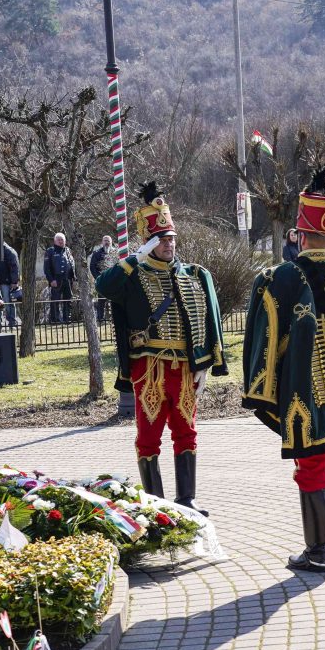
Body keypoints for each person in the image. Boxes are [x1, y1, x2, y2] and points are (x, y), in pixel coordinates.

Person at [243, 168, 325, 572]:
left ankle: (318, 551)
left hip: (308, 380)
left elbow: (264, 337)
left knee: (312, 461)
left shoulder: (278, 277)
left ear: (299, 234)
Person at [96, 181, 228, 515]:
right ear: (149, 242)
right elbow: (104, 286)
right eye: (161, 240)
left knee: (187, 432)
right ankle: (155, 503)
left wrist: (206, 364)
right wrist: (136, 256)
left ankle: (186, 499)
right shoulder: (133, 275)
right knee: (148, 436)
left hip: (185, 366)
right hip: (149, 367)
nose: (168, 245)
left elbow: (209, 320)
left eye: (171, 239)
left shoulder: (195, 274)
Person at [44, 233, 76, 323]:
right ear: (55, 241)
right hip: (56, 279)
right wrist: (51, 280)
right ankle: (55, 319)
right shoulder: (50, 251)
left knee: (68, 298)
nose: (61, 241)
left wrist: (74, 276)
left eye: (62, 239)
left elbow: (72, 263)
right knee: (55, 300)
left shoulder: (68, 250)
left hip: (68, 278)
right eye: (59, 240)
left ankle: (67, 319)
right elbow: (46, 268)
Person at [0, 240, 20, 329]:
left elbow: (14, 267)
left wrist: (14, 282)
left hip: (6, 282)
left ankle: (12, 322)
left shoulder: (8, 251)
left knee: (8, 302)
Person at [89, 235, 114, 322]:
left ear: (111, 242)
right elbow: (92, 267)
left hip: (114, 280)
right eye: (105, 240)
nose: (107, 242)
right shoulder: (97, 253)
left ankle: (113, 317)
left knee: (114, 300)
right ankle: (100, 318)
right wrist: (98, 277)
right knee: (101, 300)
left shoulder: (115, 252)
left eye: (108, 241)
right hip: (102, 280)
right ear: (102, 242)